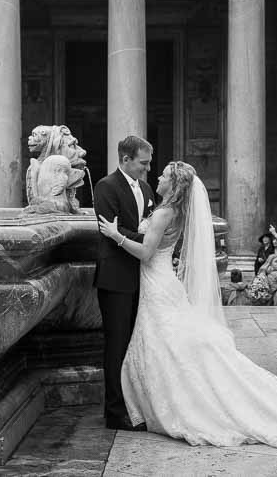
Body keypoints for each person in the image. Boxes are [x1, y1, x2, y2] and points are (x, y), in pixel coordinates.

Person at [97, 161, 277, 448]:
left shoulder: (162, 213)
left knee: (166, 345)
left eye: (162, 175)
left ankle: (177, 403)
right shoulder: (177, 212)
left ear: (172, 184)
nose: (156, 176)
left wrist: (116, 235)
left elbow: (147, 253)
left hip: (157, 285)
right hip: (163, 284)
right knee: (170, 345)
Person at [92, 135, 155, 430]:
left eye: (149, 162)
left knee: (134, 344)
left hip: (142, 276)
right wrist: (151, 239)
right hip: (115, 278)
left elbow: (140, 224)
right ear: (126, 159)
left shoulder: (145, 187)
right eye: (143, 163)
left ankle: (134, 405)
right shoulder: (106, 186)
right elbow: (110, 230)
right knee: (116, 346)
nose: (147, 168)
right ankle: (115, 412)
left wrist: (145, 236)